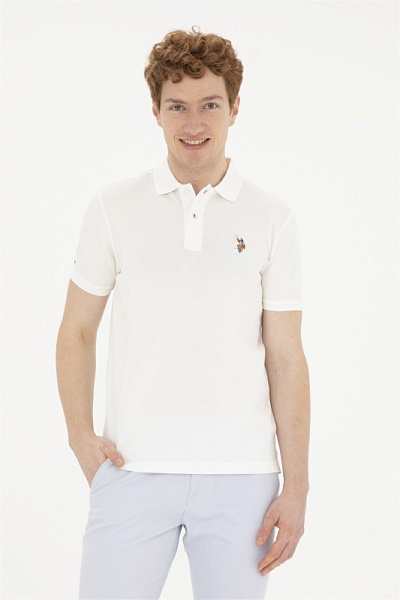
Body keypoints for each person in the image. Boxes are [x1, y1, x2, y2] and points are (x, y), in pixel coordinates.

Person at [56, 26, 310, 600]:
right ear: (156, 111)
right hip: (131, 469)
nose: (194, 123)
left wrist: (297, 486)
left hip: (242, 480)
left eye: (209, 105)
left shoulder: (273, 218)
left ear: (235, 108)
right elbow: (76, 331)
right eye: (177, 106)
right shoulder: (113, 208)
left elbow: (287, 359)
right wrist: (80, 437)